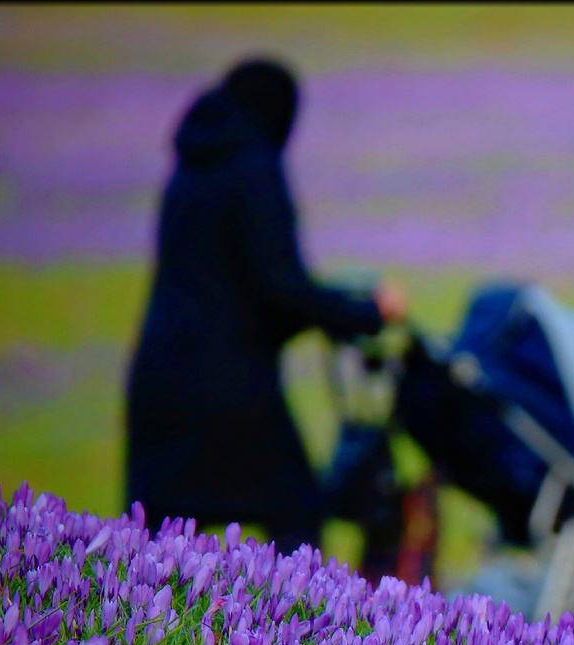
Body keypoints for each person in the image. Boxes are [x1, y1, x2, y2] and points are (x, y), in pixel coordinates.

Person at [124, 57, 408, 554]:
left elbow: (235, 286)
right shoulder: (254, 168)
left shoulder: (193, 166)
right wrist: (369, 312)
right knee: (295, 512)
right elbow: (280, 287)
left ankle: (147, 629)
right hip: (230, 389)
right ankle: (290, 627)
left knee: (150, 539)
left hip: (160, 383)